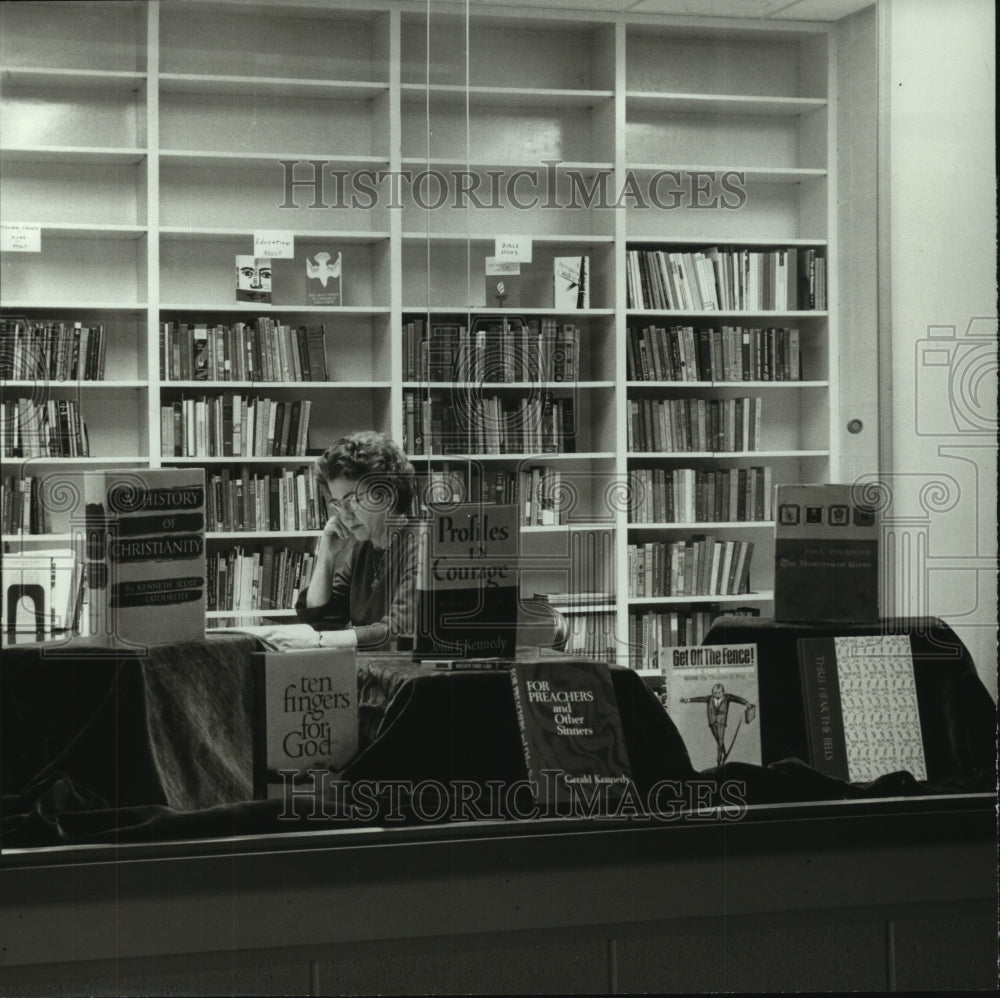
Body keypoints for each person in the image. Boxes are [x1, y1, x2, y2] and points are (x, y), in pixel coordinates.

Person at [295, 431, 421, 650]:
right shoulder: (362, 547)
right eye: (337, 503)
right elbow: (320, 620)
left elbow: (400, 630)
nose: (344, 514)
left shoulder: (420, 544)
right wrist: (326, 554)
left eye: (352, 500)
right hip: (370, 673)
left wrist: (323, 641)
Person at [680, 683, 756, 767]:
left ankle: (719, 761)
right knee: (718, 739)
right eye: (715, 693)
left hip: (721, 722)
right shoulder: (709, 698)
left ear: (723, 692)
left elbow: (737, 699)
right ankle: (723, 752)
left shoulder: (727, 697)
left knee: (720, 740)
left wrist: (746, 702)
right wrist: (687, 700)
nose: (716, 695)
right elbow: (699, 699)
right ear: (712, 692)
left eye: (719, 693)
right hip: (712, 722)